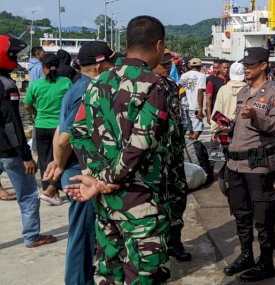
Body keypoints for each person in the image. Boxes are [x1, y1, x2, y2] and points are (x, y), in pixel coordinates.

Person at [64, 15, 172, 283]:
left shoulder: (96, 83)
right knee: (142, 276)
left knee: (111, 273)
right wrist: (107, 180)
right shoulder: (152, 84)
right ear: (158, 45)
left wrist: (97, 176)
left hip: (106, 206)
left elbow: (77, 134)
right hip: (140, 204)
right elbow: (141, 142)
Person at [43, 41, 115, 284]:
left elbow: (60, 129)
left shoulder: (76, 87)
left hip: (74, 168)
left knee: (86, 232)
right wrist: (60, 165)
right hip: (79, 172)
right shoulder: (88, 92)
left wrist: (56, 161)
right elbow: (65, 138)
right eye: (111, 64)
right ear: (99, 66)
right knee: (83, 234)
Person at [222, 47, 275, 281]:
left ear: (263, 65)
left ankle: (266, 262)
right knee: (241, 213)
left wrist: (257, 117)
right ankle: (246, 255)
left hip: (259, 166)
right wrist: (227, 127)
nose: (245, 68)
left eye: (250, 65)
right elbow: (241, 125)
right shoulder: (243, 92)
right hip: (236, 165)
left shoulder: (274, 95)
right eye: (244, 65)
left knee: (263, 216)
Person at [0, 35, 55, 248]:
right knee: (29, 195)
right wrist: (25, 155)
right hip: (10, 152)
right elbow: (12, 124)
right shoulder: (7, 85)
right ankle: (32, 236)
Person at [153, 53, 191, 262]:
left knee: (178, 197)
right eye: (163, 64)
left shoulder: (172, 87)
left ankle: (174, 241)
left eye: (169, 63)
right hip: (155, 158)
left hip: (174, 154)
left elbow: (180, 117)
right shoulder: (146, 87)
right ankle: (158, 243)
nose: (168, 67)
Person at [24, 53, 71, 205]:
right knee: (61, 158)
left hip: (41, 125)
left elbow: (26, 105)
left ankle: (50, 190)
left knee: (45, 159)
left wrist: (36, 113)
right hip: (60, 127)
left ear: (43, 68)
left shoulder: (36, 84)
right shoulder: (66, 82)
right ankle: (56, 187)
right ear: (57, 67)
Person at [210, 62, 247, 139]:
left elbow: (217, 110)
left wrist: (214, 130)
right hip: (243, 131)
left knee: (226, 150)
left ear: (230, 74)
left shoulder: (223, 89)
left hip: (225, 129)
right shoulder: (248, 90)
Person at [179, 58, 207, 141]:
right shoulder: (201, 76)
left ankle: (190, 147)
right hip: (195, 106)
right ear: (201, 66)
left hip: (185, 105)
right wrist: (200, 108)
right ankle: (189, 146)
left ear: (190, 65)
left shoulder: (184, 75)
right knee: (198, 129)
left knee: (192, 128)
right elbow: (200, 92)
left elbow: (179, 86)